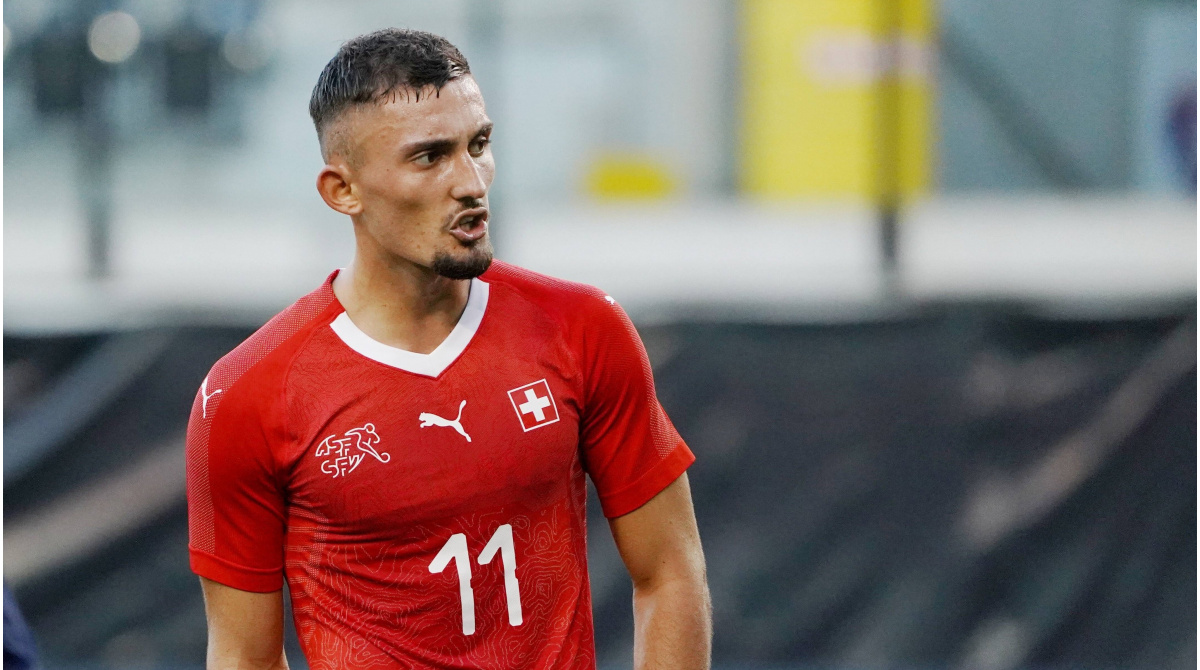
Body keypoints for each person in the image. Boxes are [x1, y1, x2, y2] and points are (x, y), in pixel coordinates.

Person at [186, 28, 711, 669]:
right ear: (342, 190)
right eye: (430, 156)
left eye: (478, 145)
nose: (471, 182)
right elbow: (245, 657)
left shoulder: (582, 329)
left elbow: (670, 572)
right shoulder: (244, 395)